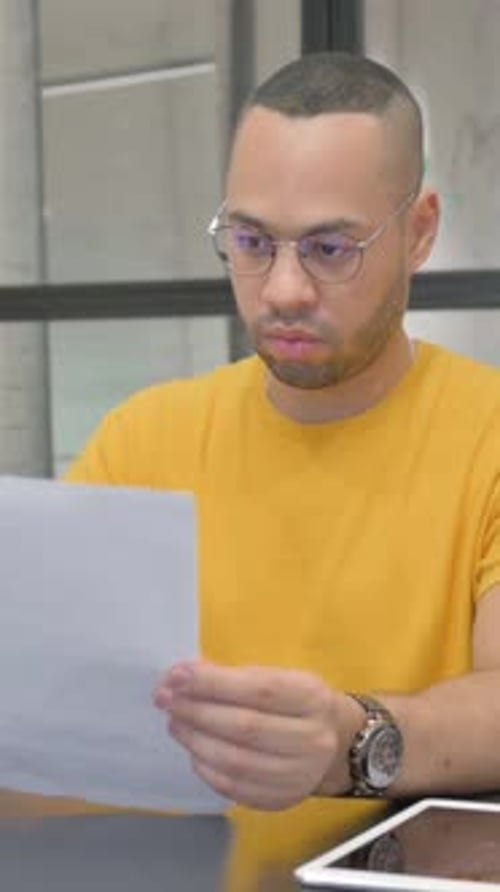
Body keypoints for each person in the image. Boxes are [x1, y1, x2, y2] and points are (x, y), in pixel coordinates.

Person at [64, 51, 500, 880]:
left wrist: (352, 740)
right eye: (252, 242)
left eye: (331, 247)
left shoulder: (490, 433)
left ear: (419, 232)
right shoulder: (143, 438)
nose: (284, 290)